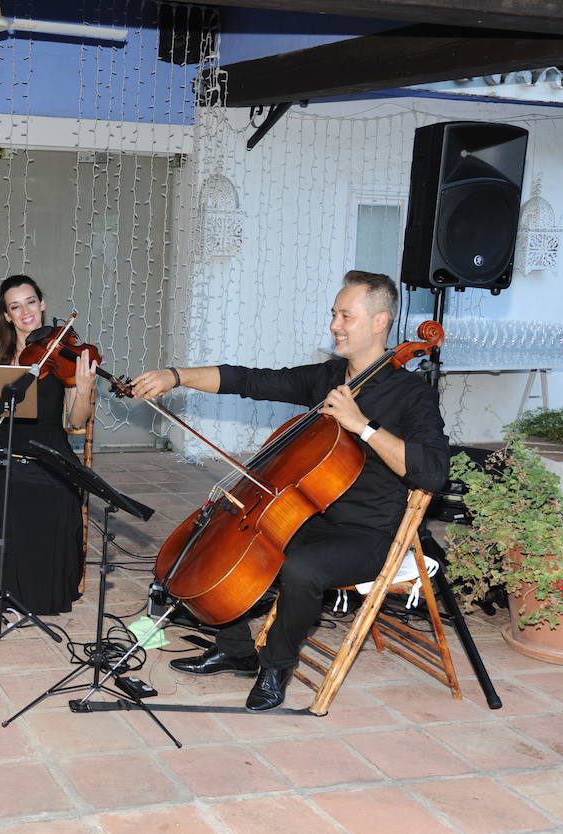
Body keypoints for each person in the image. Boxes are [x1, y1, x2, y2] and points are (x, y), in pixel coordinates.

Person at [129, 271, 448, 711]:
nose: (335, 324)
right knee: (229, 540)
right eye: (334, 314)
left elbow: (432, 473)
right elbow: (251, 381)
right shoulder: (329, 377)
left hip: (367, 534)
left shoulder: (413, 395)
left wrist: (363, 426)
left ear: (379, 322)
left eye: (346, 316)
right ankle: (235, 648)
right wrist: (176, 376)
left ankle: (277, 664)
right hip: (311, 515)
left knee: (300, 567)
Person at [0, 275, 96, 615]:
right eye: (16, 306)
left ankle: (40, 593)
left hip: (49, 444)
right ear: (7, 316)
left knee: (58, 491)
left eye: (31, 302)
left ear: (42, 304)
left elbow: (75, 420)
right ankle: (7, 589)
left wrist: (84, 389)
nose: (25, 311)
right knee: (13, 481)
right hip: (1, 444)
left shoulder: (65, 354)